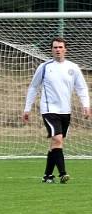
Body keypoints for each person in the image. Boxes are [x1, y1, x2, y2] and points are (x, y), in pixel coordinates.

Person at [22, 37, 90, 184]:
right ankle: (63, 174)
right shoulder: (45, 67)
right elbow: (34, 87)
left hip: (65, 111)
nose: (57, 50)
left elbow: (81, 88)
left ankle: (47, 176)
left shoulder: (73, 68)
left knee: (56, 143)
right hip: (49, 110)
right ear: (51, 50)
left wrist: (86, 105)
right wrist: (27, 108)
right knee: (57, 139)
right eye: (55, 47)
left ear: (65, 49)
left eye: (60, 47)